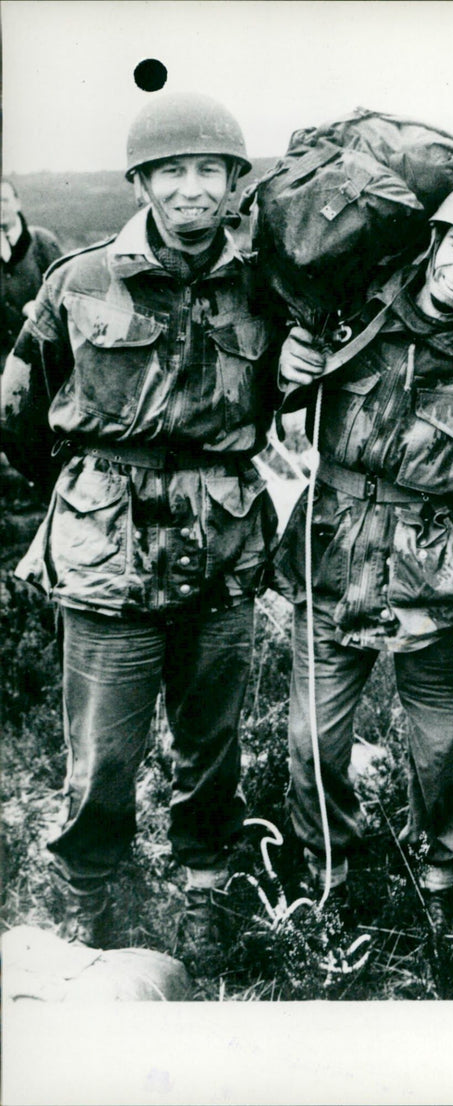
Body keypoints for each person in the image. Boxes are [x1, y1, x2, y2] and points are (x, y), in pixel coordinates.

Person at [0, 91, 282, 971]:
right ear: (142, 182)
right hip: (106, 550)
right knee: (104, 750)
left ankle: (204, 890)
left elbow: (290, 394)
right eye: (172, 171)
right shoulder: (79, 279)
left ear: (237, 183)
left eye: (210, 171)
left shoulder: (270, 284)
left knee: (211, 743)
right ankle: (93, 897)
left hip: (223, 549)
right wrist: (84, 493)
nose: (192, 190)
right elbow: (20, 405)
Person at [274, 179, 453, 936]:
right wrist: (288, 367)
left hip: (436, 582)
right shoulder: (352, 313)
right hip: (330, 560)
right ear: (433, 242)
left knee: (438, 749)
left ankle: (445, 874)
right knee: (311, 741)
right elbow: (274, 388)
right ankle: (330, 868)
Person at [1, 178, 63, 361]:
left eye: (3, 200)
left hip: (43, 358)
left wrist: (37, 307)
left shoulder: (41, 242)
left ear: (17, 203)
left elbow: (64, 293)